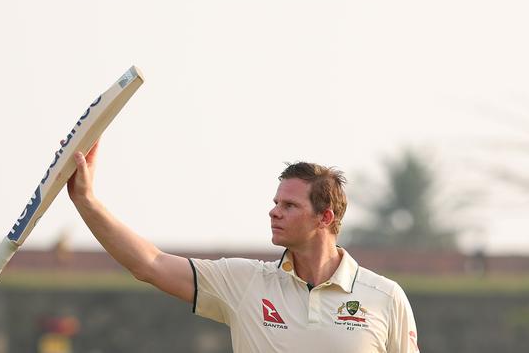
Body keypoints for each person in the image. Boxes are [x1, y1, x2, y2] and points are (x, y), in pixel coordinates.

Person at [67, 140, 419, 353]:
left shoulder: (385, 297)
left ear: (324, 218)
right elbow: (151, 264)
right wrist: (87, 200)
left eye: (289, 206)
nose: (273, 211)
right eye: (275, 202)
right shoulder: (245, 282)